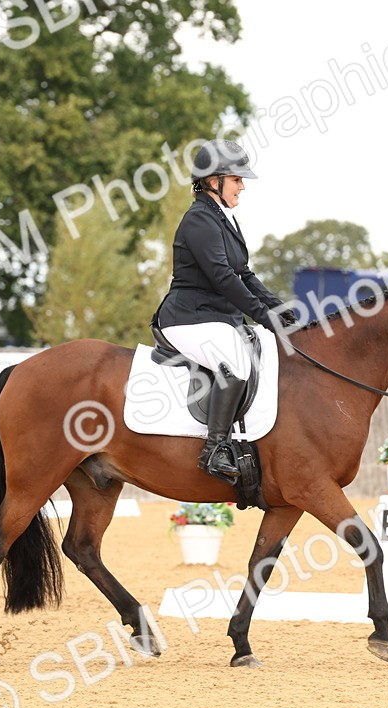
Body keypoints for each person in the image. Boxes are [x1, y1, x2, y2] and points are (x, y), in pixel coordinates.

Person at [153, 139, 296, 481]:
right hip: (188, 318)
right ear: (212, 180)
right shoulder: (199, 220)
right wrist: (264, 317)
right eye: (236, 179)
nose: (242, 186)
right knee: (236, 362)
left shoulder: (224, 219)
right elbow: (223, 278)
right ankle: (214, 449)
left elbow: (244, 273)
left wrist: (279, 308)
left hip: (215, 317)